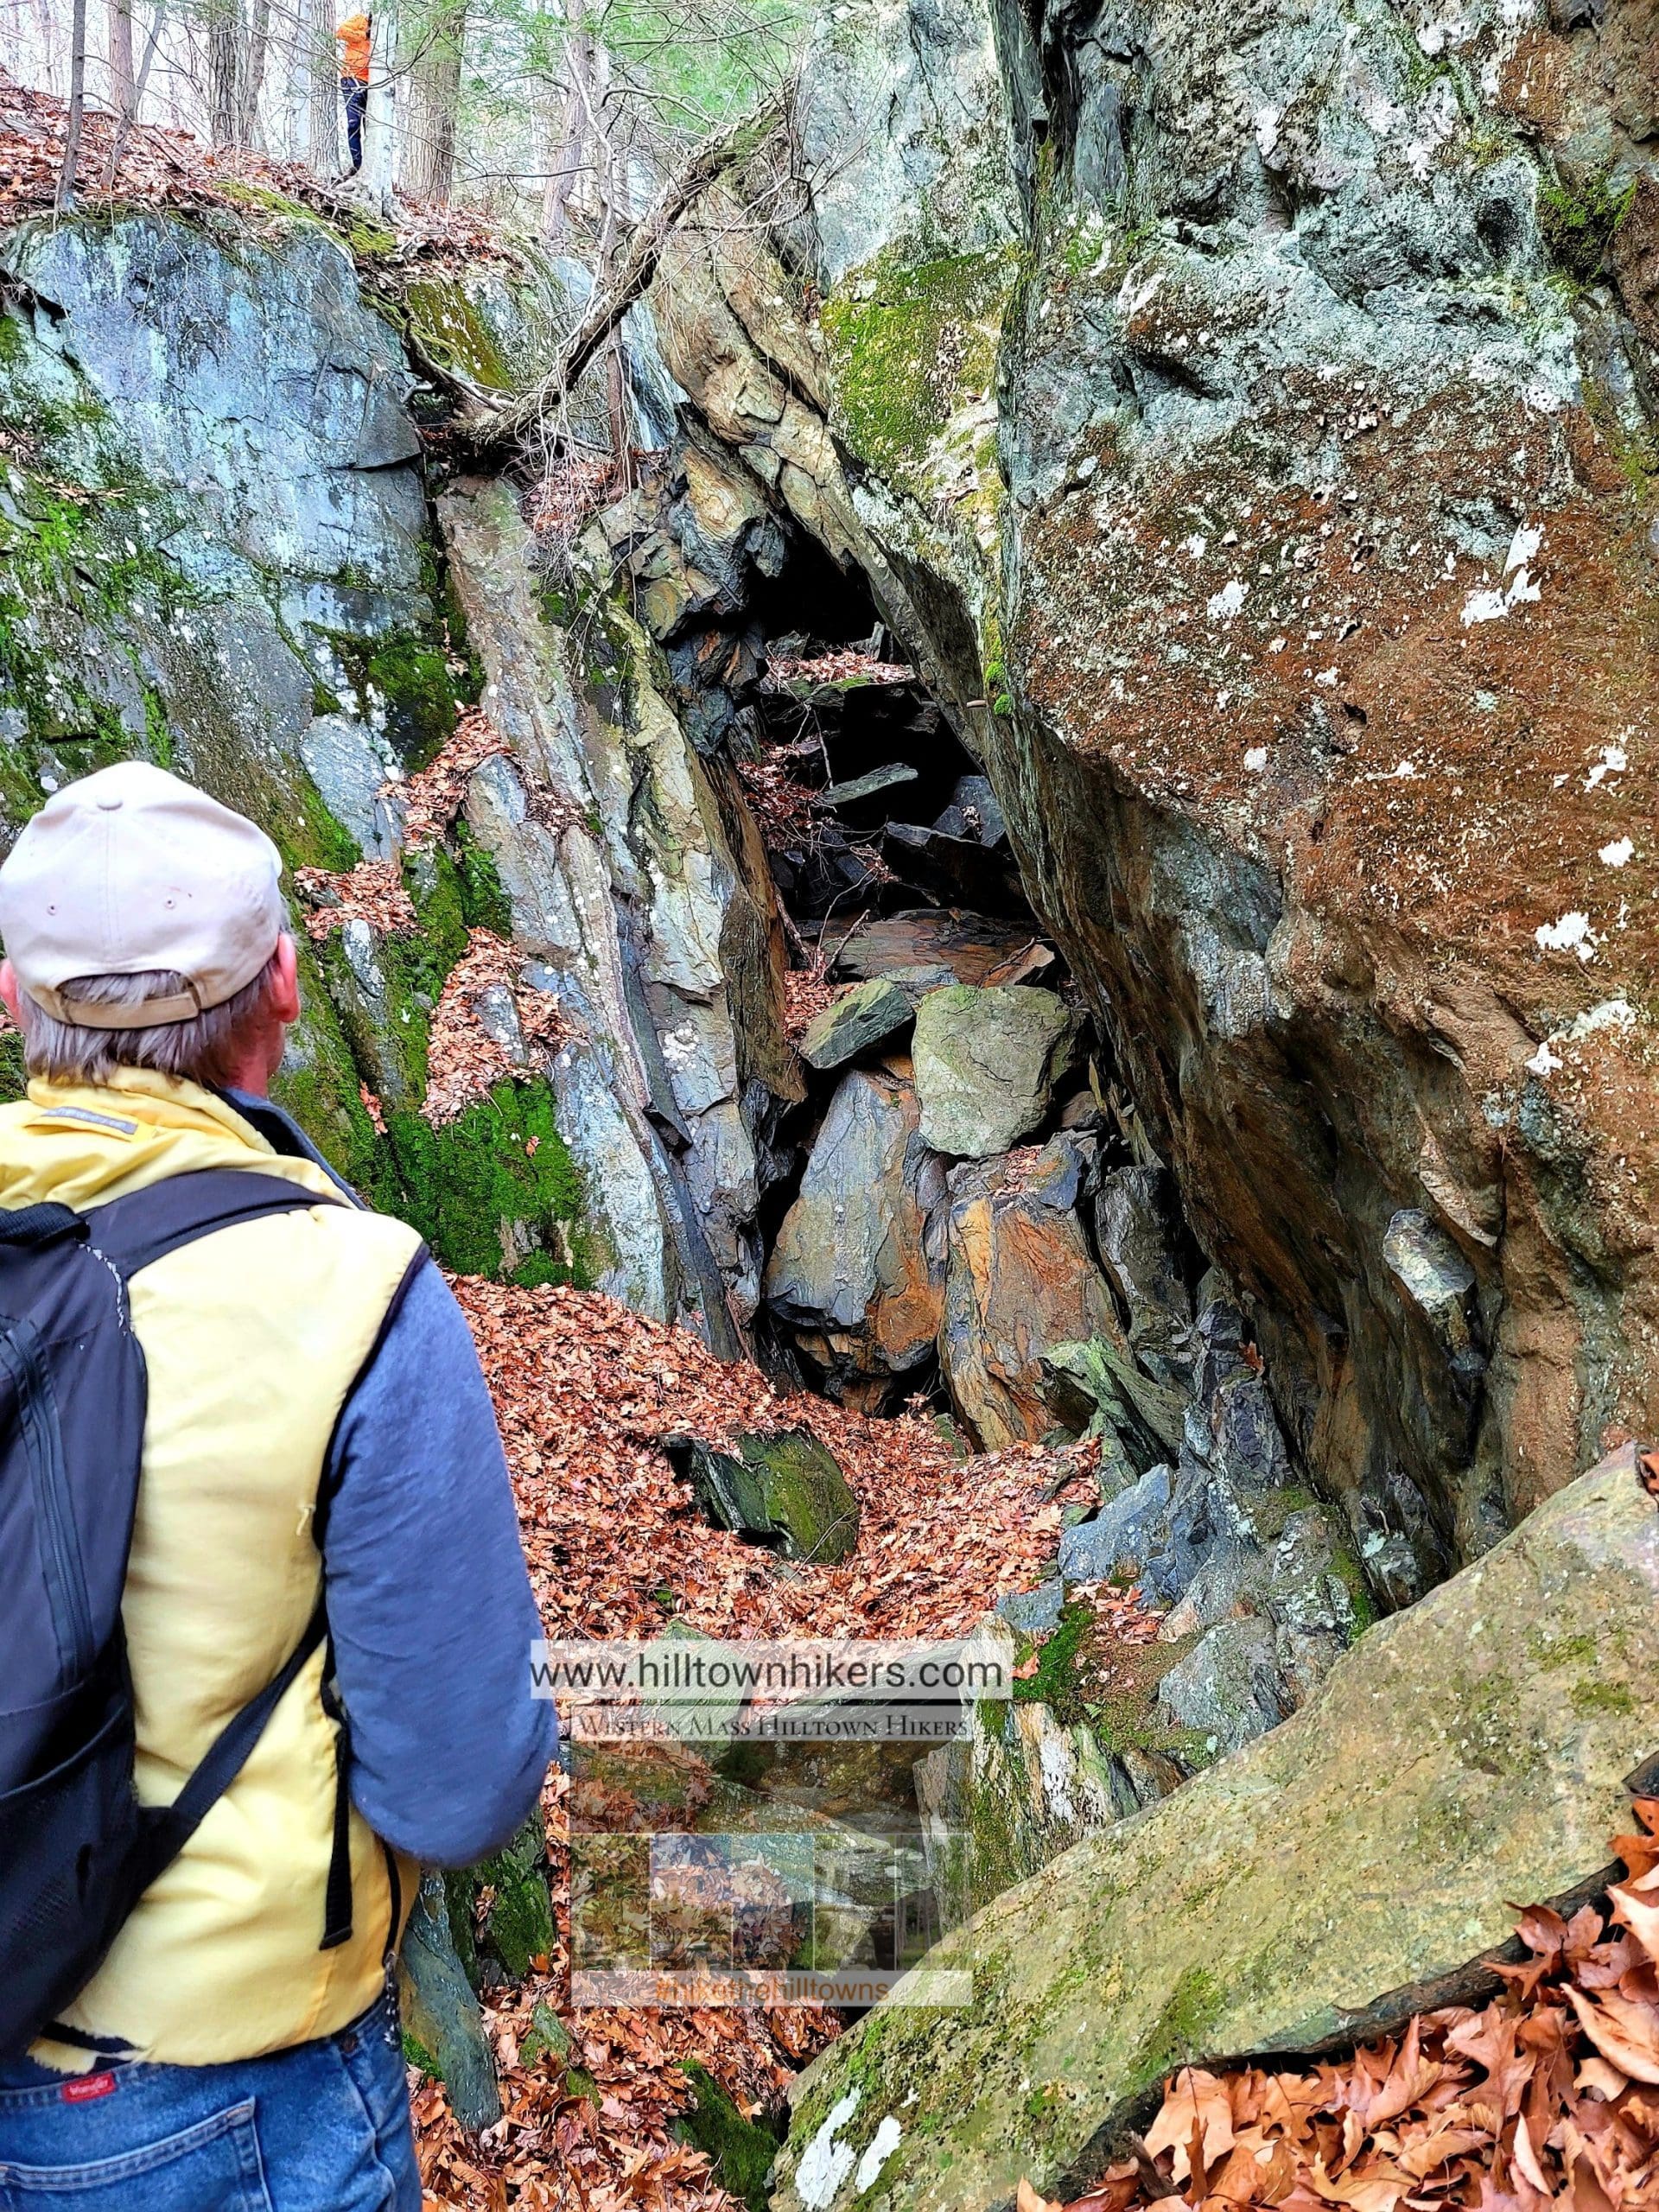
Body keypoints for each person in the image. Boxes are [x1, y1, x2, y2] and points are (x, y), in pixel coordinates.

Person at [0, 762, 556, 2209]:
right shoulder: (351, 1295)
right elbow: (457, 1787)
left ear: (12, 1000)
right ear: (286, 988)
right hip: (220, 2101)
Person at [336, 10, 372, 174]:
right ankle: (358, 165)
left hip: (372, 84)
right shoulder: (360, 20)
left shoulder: (386, 30)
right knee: (354, 123)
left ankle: (369, 166)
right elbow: (341, 31)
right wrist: (364, 35)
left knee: (370, 125)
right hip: (352, 79)